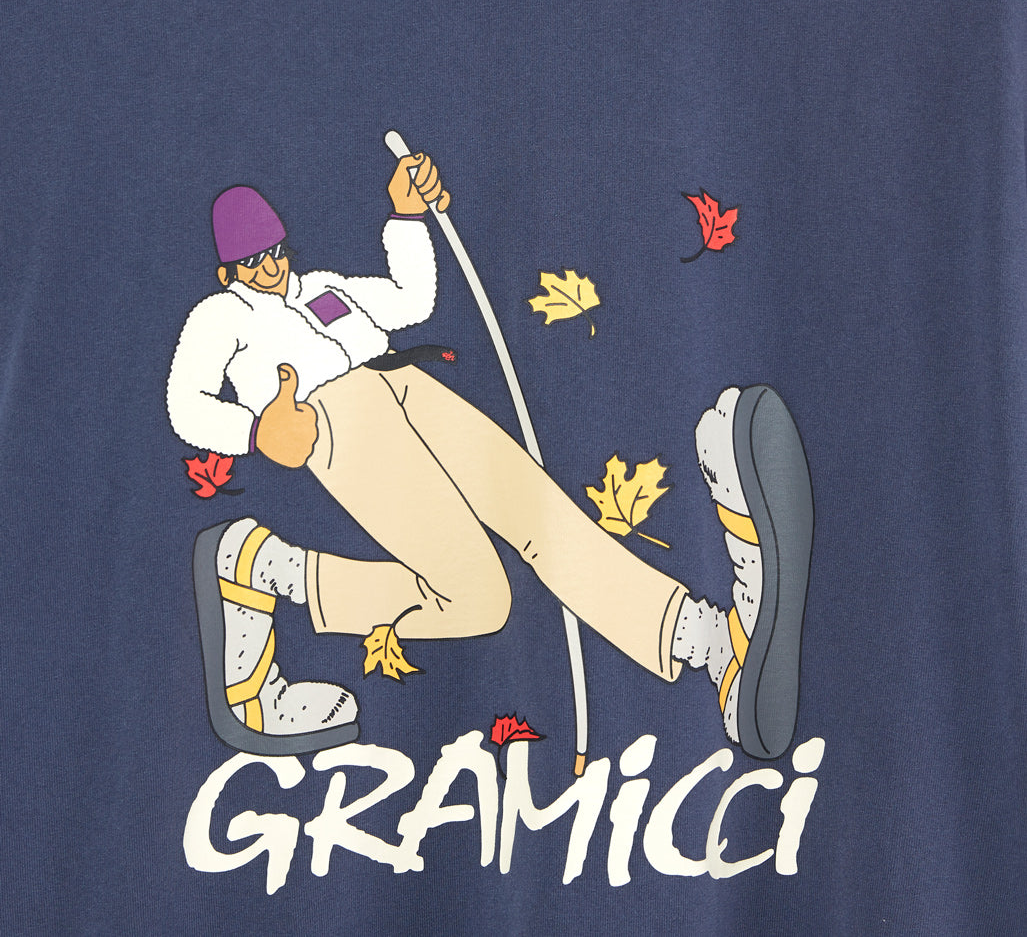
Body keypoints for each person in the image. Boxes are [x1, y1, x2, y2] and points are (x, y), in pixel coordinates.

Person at [167, 152, 813, 762]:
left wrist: (406, 217)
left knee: (543, 521)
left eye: (275, 252)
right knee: (476, 598)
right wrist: (255, 431)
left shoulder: (323, 288)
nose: (270, 268)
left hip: (405, 385)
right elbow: (184, 405)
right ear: (229, 274)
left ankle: (709, 644)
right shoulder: (222, 317)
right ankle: (272, 571)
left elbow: (411, 301)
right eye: (252, 262)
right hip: (335, 424)